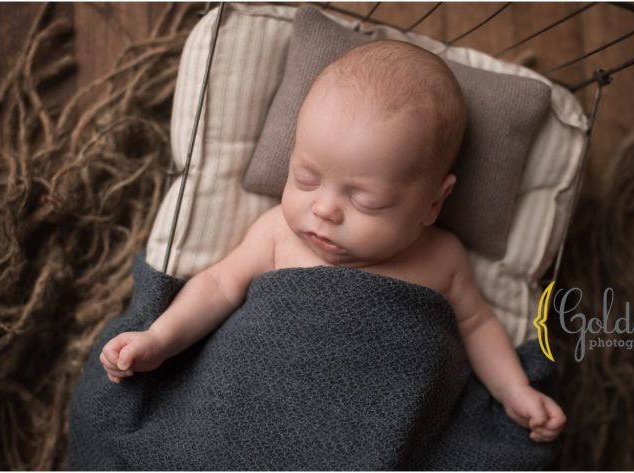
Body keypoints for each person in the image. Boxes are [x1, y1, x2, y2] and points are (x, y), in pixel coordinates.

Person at [100, 40, 566, 443]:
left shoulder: (443, 258)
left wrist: (513, 390)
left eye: (367, 202)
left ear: (433, 202)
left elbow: (478, 326)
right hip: (250, 404)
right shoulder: (278, 233)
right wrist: (159, 339)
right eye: (305, 178)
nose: (324, 209)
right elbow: (219, 287)